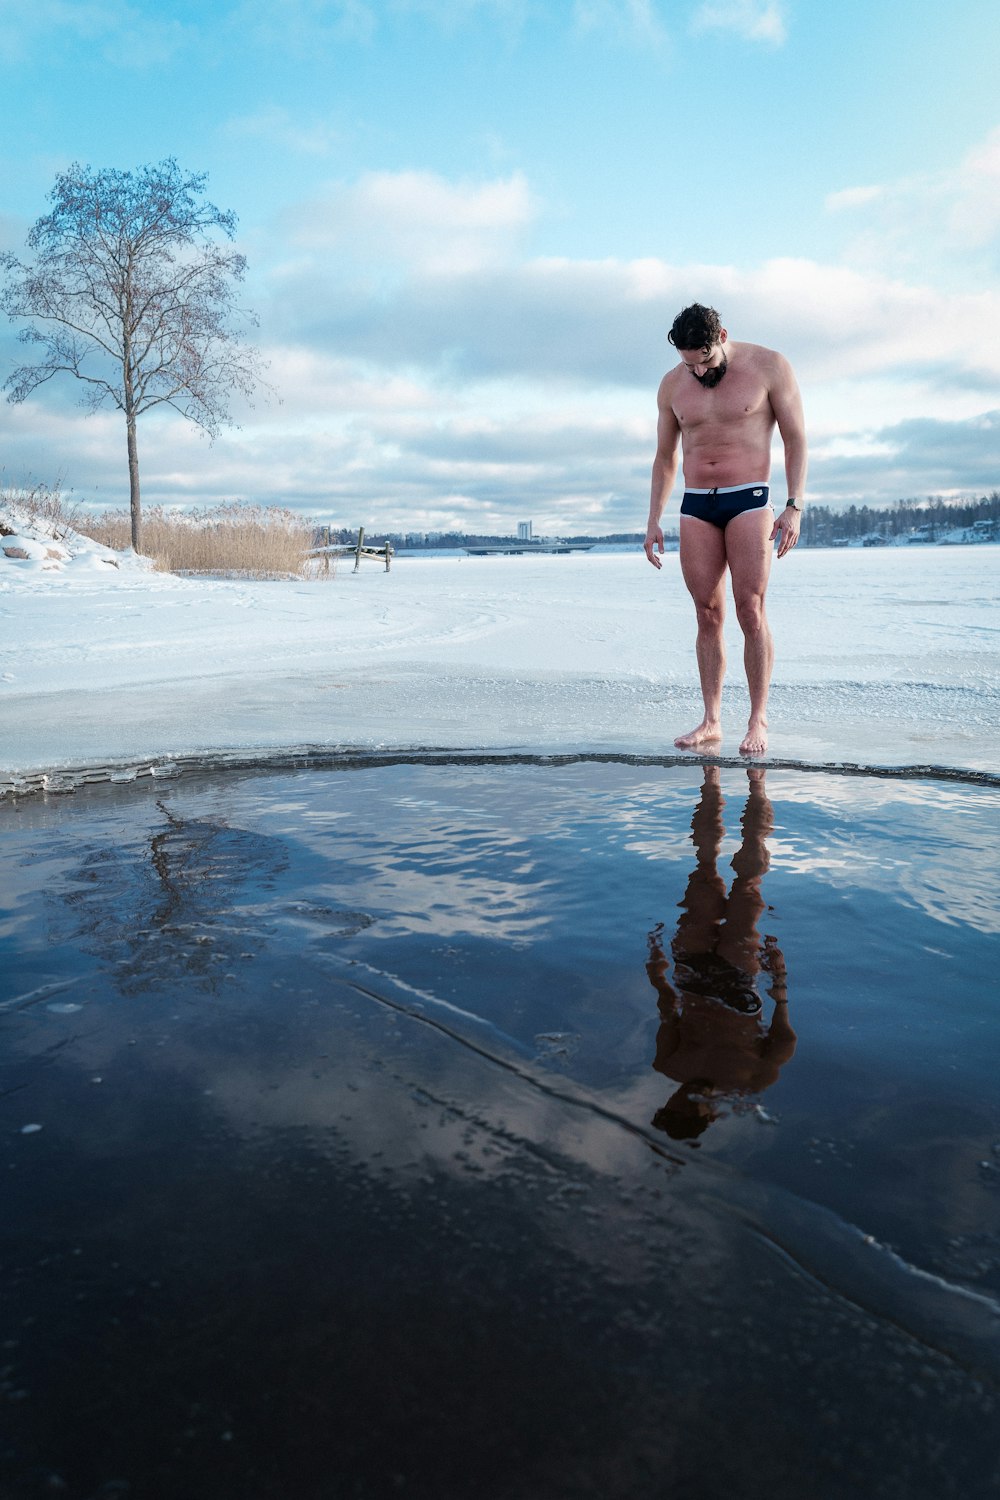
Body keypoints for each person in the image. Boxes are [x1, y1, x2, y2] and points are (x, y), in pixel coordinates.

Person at [644, 303, 807, 756]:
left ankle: (757, 718)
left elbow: (795, 438)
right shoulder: (673, 385)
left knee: (749, 609)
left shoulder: (769, 366)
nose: (697, 370)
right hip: (696, 503)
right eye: (688, 362)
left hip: (749, 496)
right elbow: (664, 457)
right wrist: (654, 519)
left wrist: (793, 506)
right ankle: (711, 720)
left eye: (706, 360)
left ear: (722, 336)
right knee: (706, 613)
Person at [645, 766, 795, 1141]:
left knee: (703, 867)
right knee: (747, 886)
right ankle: (757, 785)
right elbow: (784, 1041)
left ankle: (711, 781)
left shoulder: (668, 1064)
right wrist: (779, 981)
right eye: (680, 1106)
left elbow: (667, 1011)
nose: (678, 1097)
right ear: (706, 1115)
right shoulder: (752, 1081)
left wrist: (657, 972)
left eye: (671, 1103)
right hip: (738, 980)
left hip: (691, 975)